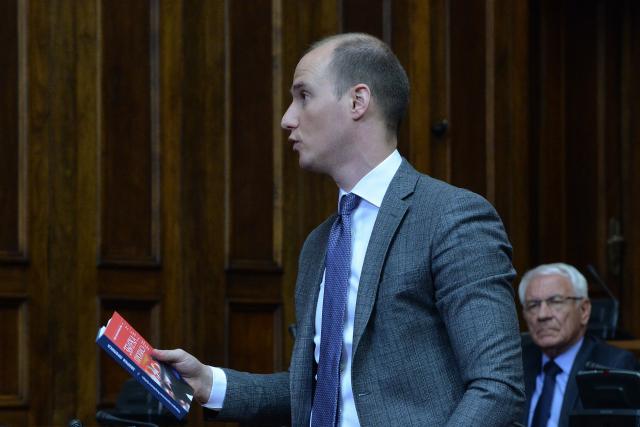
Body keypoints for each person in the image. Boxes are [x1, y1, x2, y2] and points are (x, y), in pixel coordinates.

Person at [153, 32, 524, 426]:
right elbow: (320, 392)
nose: (287, 118)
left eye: (303, 96)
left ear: (357, 101)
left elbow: (497, 386)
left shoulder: (451, 217)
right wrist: (208, 383)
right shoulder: (319, 243)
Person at [519, 262, 638, 427]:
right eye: (533, 305)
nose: (542, 315)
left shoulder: (612, 365)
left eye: (555, 301)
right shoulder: (515, 365)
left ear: (584, 310)